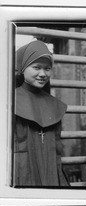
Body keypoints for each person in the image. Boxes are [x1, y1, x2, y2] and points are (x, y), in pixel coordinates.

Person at [14, 40, 68, 187]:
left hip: (50, 172)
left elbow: (57, 151)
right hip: (21, 173)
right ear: (23, 68)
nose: (43, 74)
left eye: (47, 68)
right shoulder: (9, 101)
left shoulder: (54, 105)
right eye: (36, 67)